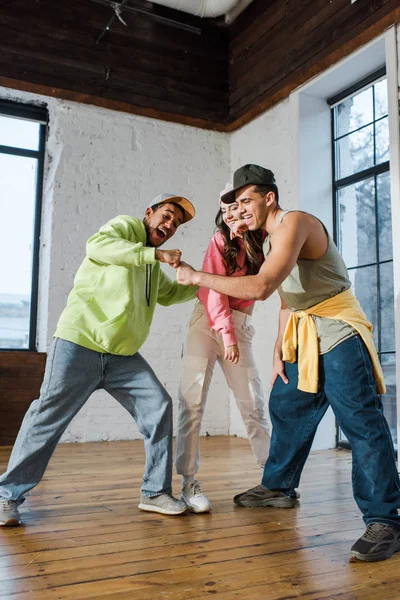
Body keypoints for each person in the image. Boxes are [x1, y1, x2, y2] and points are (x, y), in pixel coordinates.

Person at [176, 164, 400, 562]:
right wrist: (281, 346)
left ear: (269, 198)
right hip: (303, 330)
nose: (240, 209)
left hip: (338, 331)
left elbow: (261, 287)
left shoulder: (295, 223)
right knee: (286, 404)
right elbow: (284, 296)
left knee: (360, 422)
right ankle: (278, 487)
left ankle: (386, 519)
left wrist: (199, 277)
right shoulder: (266, 239)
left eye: (246, 200)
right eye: (235, 203)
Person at [0, 194, 198, 526]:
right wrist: (154, 254)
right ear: (148, 213)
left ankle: (154, 493)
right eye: (166, 216)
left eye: (176, 224)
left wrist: (205, 283)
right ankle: (6, 497)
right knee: (47, 418)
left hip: (121, 357)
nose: (170, 225)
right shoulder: (124, 228)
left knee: (158, 404)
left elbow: (168, 293)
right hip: (79, 343)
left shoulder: (149, 264)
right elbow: (98, 247)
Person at [175, 184, 271, 513]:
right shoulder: (219, 241)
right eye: (226, 209)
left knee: (253, 404)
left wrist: (234, 332)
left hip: (240, 324)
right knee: (192, 401)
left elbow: (264, 288)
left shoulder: (264, 243)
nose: (231, 214)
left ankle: (272, 480)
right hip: (207, 323)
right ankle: (188, 482)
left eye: (239, 207)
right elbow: (211, 288)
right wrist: (226, 333)